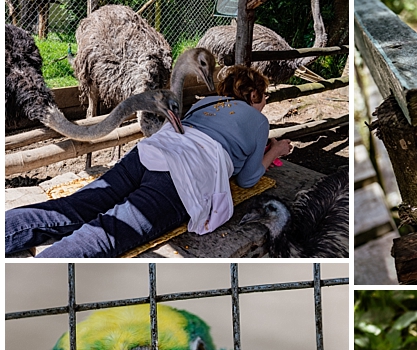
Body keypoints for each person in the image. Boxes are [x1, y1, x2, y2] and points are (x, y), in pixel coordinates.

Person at [6, 65, 292, 258]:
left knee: (71, 207)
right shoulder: (258, 119)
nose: (264, 101)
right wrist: (276, 149)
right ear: (254, 94)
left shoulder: (206, 103)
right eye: (264, 96)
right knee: (108, 232)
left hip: (148, 155)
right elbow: (248, 178)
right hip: (182, 178)